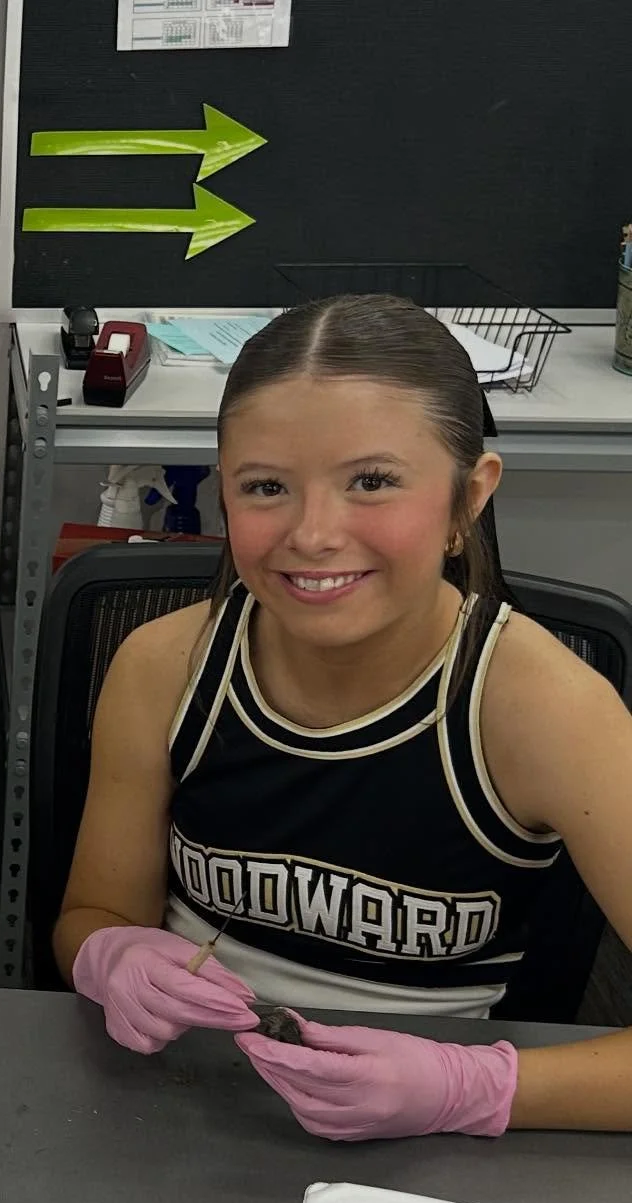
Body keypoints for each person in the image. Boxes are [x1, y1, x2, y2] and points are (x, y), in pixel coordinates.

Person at [56, 293, 632, 1140]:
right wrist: (111, 957)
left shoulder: (543, 708)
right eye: (266, 487)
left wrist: (473, 1085)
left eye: (372, 482)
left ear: (467, 500)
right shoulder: (161, 668)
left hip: (434, 1150)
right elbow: (91, 917)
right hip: (178, 1111)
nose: (314, 532)